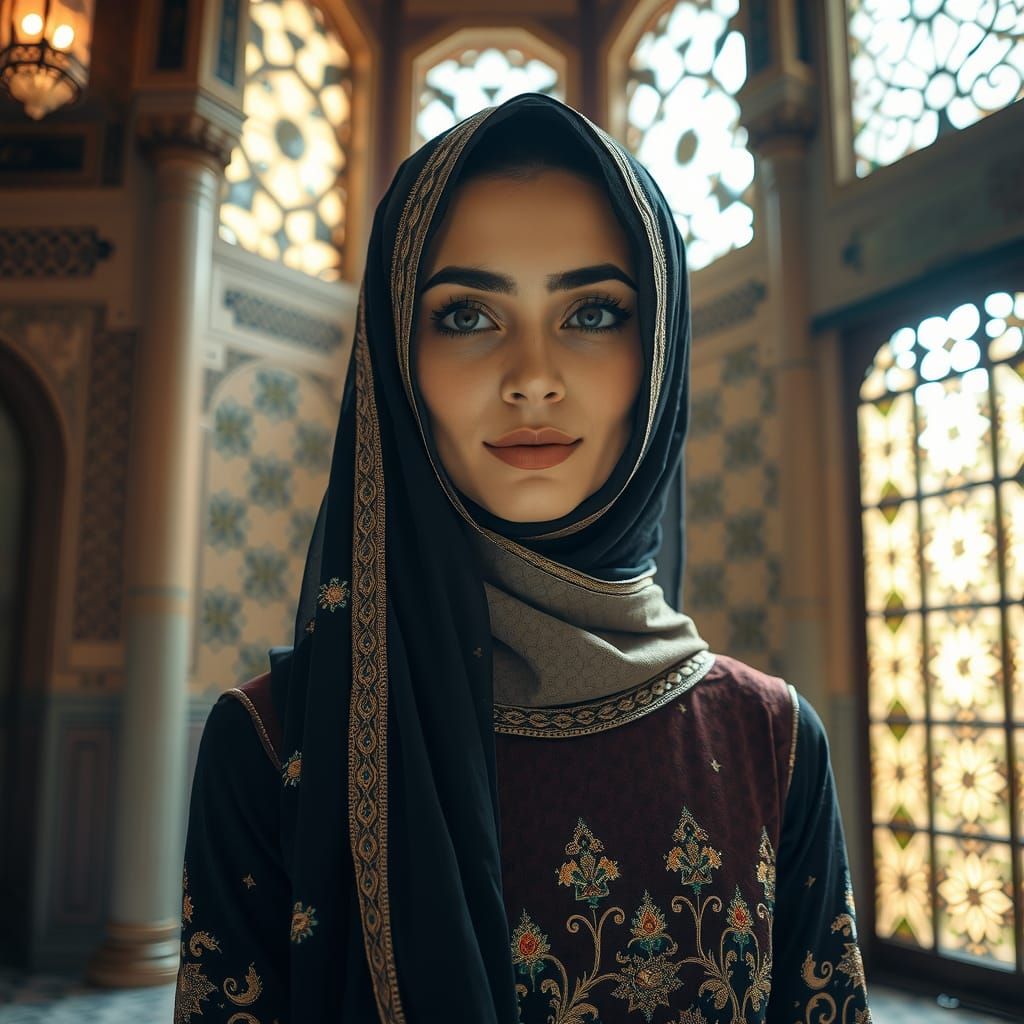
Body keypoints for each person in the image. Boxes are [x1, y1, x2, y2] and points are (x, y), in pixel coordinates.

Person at [174, 93, 872, 1024]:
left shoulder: (773, 740)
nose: (533, 374)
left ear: (659, 354)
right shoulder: (269, 748)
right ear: (395, 356)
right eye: (467, 315)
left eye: (593, 313)